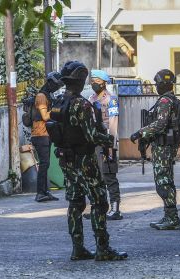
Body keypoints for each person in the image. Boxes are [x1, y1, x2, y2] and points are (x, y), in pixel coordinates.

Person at [51, 61, 127, 261]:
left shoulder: (59, 101)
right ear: (81, 79)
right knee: (99, 202)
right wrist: (108, 140)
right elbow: (92, 135)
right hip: (85, 160)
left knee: (75, 203)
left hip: (66, 160)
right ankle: (103, 248)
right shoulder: (82, 104)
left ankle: (78, 248)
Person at [130, 69, 180, 230]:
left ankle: (172, 218)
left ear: (161, 84)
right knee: (166, 179)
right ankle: (169, 216)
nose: (155, 86)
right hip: (166, 145)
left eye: (157, 83)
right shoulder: (173, 100)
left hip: (163, 146)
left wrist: (140, 133)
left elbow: (160, 124)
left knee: (163, 181)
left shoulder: (165, 101)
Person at [87, 69, 122, 220]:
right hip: (93, 142)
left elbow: (113, 123)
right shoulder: (91, 99)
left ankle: (115, 209)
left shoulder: (111, 100)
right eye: (92, 81)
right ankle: (98, 207)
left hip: (107, 141)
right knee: (94, 176)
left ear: (104, 83)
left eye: (97, 81)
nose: (94, 83)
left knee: (109, 175)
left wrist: (111, 146)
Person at [32, 72, 63, 202]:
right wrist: (58, 109)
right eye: (56, 85)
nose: (57, 87)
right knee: (44, 164)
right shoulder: (41, 96)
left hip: (46, 134)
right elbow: (45, 116)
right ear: (50, 82)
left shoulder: (48, 95)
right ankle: (40, 193)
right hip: (40, 135)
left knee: (46, 164)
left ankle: (45, 192)